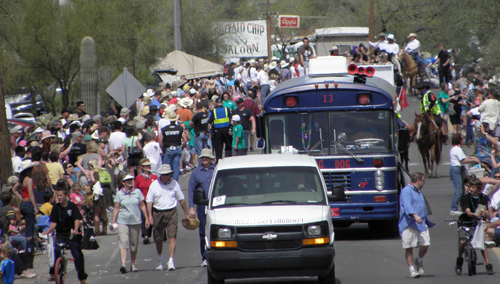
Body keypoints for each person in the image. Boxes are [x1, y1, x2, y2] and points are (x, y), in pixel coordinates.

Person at [146, 164, 189, 271]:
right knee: (159, 237)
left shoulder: (175, 184)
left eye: (167, 174)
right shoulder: (154, 185)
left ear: (170, 174)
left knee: (172, 236)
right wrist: (149, 216)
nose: (165, 176)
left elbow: (181, 199)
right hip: (158, 212)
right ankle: (160, 258)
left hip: (171, 212)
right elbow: (149, 201)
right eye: (163, 174)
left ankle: (171, 260)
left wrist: (186, 214)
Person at [42, 188, 87, 284]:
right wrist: (48, 230)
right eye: (57, 195)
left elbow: (77, 219)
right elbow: (54, 222)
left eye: (61, 195)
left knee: (77, 255)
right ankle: (53, 272)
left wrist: (75, 230)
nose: (58, 197)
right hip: (61, 233)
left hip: (72, 233)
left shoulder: (72, 206)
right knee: (56, 251)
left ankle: (82, 277)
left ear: (66, 196)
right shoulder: (55, 207)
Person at [398, 172, 435, 278]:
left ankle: (418, 260)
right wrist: (414, 215)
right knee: (409, 247)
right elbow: (407, 205)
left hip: (421, 223)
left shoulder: (418, 191)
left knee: (426, 243)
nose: (424, 182)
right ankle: (412, 270)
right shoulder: (406, 191)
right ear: (418, 181)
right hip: (409, 224)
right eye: (423, 180)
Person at [111, 174, 148, 274]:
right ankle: (123, 264)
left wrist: (147, 218)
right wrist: (113, 221)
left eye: (131, 179)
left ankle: (133, 264)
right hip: (123, 220)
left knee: (134, 244)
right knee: (123, 241)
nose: (129, 181)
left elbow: (142, 205)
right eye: (127, 180)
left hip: (135, 221)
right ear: (123, 182)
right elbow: (116, 208)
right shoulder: (119, 193)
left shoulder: (137, 192)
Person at [456, 177, 494, 275]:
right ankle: (459, 260)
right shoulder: (465, 198)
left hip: (477, 223)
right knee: (462, 241)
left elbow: (484, 211)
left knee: (482, 244)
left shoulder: (483, 198)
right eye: (469, 187)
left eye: (473, 187)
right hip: (465, 222)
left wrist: (484, 214)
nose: (470, 189)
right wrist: (474, 214)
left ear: (479, 189)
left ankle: (488, 265)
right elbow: (468, 212)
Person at [188, 149, 215, 267]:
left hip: (215, 205)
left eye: (207, 157)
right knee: (203, 232)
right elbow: (191, 190)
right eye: (203, 157)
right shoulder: (196, 172)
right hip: (202, 205)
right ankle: (204, 257)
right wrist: (191, 207)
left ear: (211, 159)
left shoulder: (216, 170)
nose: (205, 159)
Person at [449, 133, 481, 215]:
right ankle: (453, 208)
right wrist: (474, 160)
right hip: (456, 169)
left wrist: (472, 157)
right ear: (459, 140)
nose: (463, 140)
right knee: (459, 190)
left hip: (458, 169)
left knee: (462, 190)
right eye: (462, 138)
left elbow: (464, 157)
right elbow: (463, 160)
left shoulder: (458, 149)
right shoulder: (457, 149)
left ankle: (463, 207)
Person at [134, 158, 158, 245]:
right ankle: (146, 235)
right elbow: (136, 189)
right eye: (146, 166)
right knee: (145, 218)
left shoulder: (154, 177)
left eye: (149, 165)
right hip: (143, 201)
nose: (148, 167)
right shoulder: (138, 178)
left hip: (153, 200)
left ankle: (157, 235)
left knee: (154, 217)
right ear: (142, 167)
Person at [159, 112, 184, 181]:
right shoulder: (180, 128)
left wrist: (163, 149)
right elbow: (185, 139)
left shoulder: (164, 129)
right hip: (177, 148)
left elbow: (160, 141)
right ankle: (175, 182)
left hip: (169, 149)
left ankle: (167, 181)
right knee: (176, 167)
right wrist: (182, 147)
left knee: (167, 167)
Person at [208, 97, 232, 162]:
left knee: (218, 147)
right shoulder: (226, 109)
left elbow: (209, 121)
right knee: (228, 146)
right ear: (222, 102)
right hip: (226, 130)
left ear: (216, 103)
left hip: (217, 131)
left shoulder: (214, 111)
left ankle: (219, 161)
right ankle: (228, 159)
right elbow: (231, 120)